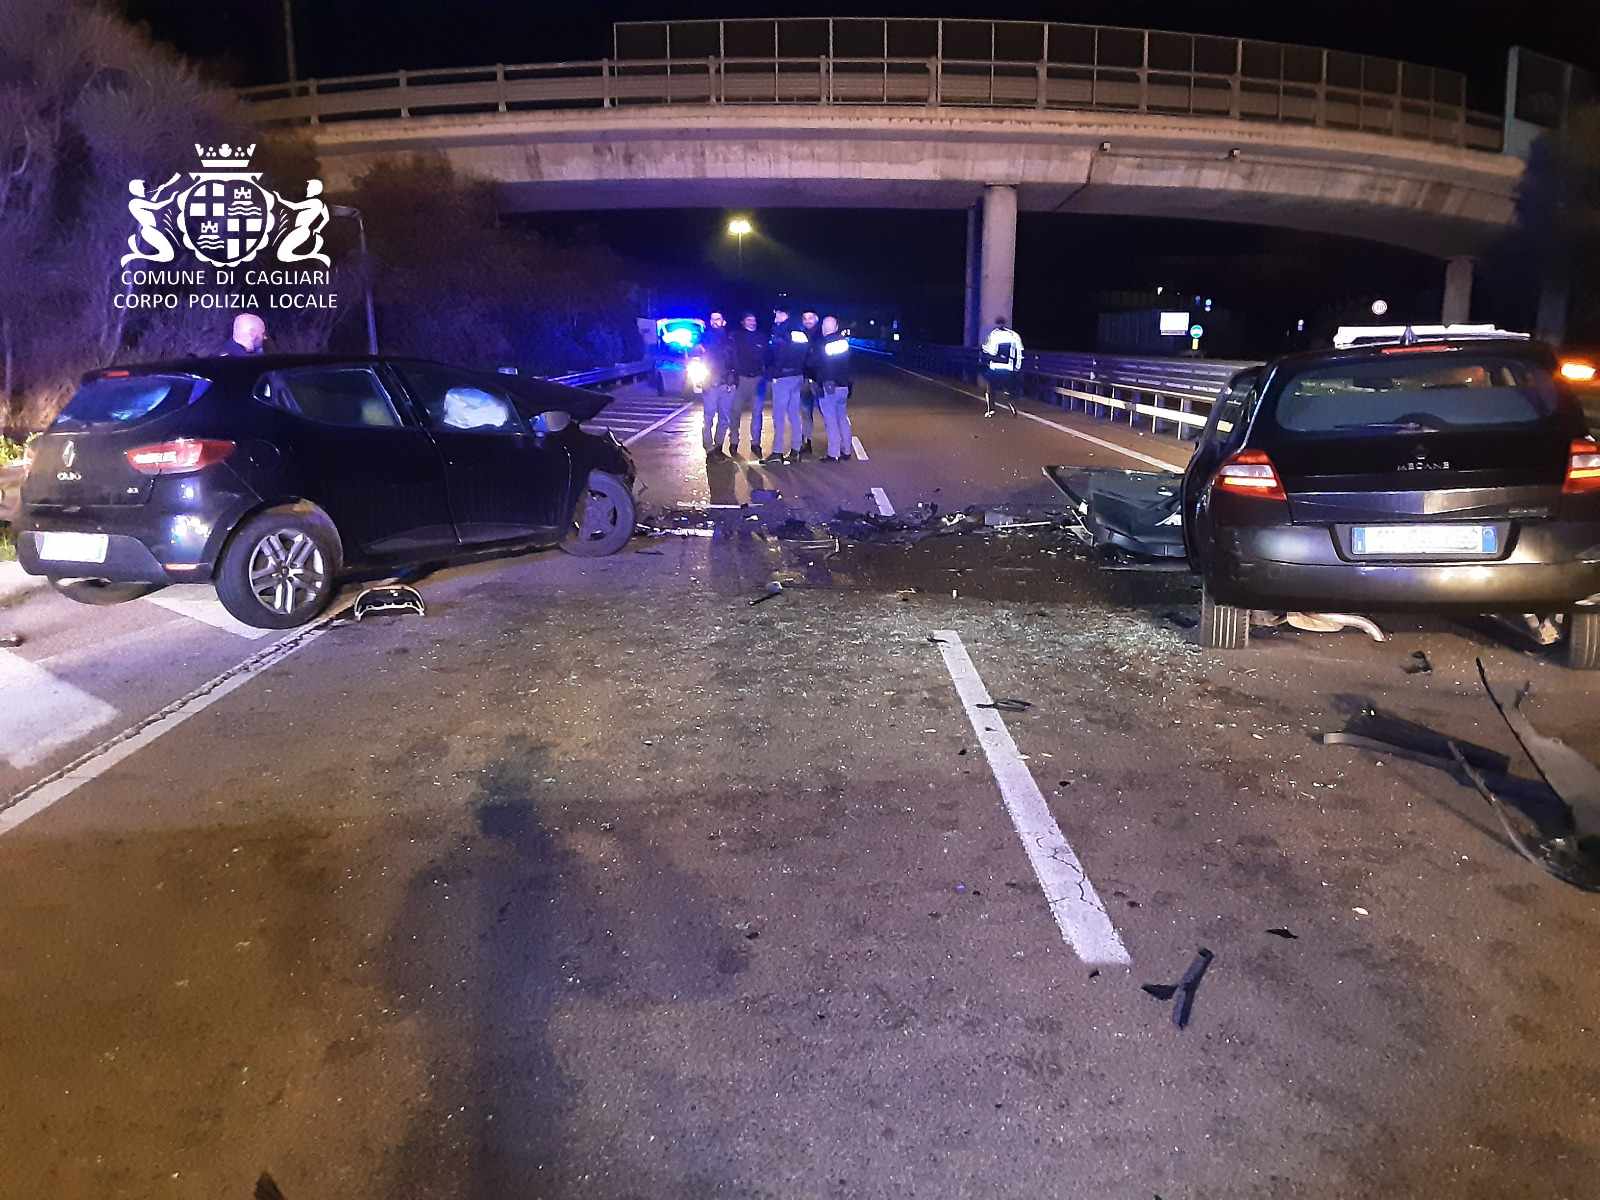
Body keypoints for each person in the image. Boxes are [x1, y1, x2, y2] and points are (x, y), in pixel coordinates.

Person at [764, 304, 809, 465]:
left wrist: (774, 372)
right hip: (797, 376)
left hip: (783, 377)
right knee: (794, 415)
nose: (775, 316)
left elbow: (779, 354)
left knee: (779, 415)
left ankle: (777, 452)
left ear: (785, 315)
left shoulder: (782, 331)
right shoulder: (800, 331)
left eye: (778, 313)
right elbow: (805, 353)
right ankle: (796, 450)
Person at [809, 315, 854, 462]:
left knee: (831, 421)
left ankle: (833, 453)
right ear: (836, 327)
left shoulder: (822, 344)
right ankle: (846, 450)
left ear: (823, 328)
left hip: (828, 386)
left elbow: (813, 364)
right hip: (843, 386)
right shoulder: (843, 343)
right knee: (842, 418)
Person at [729, 312, 767, 459]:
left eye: (754, 320)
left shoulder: (762, 337)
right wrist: (733, 375)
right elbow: (731, 356)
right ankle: (733, 442)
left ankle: (756, 443)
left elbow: (768, 357)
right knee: (735, 412)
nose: (752, 322)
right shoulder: (736, 337)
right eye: (749, 320)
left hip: (757, 380)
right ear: (743, 322)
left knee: (757, 414)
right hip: (741, 380)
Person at [979, 314, 1023, 417]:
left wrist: (983, 348)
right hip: (1009, 367)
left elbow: (991, 351)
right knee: (1008, 388)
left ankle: (991, 409)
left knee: (990, 388)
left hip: (995, 367)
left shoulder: (994, 335)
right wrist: (1017, 367)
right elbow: (1019, 352)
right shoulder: (1014, 335)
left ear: (997, 324)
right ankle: (1011, 404)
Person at [798, 310, 821, 457]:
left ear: (816, 319)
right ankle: (806, 442)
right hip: (805, 379)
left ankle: (837, 445)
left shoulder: (822, 335)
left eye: (810, 317)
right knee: (805, 412)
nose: (808, 320)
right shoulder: (800, 335)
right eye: (805, 318)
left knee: (827, 413)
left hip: (820, 380)